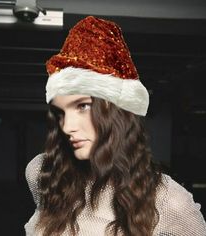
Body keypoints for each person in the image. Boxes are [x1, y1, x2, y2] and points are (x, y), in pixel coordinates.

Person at [24, 16, 206, 236]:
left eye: (82, 106)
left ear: (117, 112)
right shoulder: (42, 172)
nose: (67, 126)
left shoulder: (168, 201)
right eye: (61, 113)